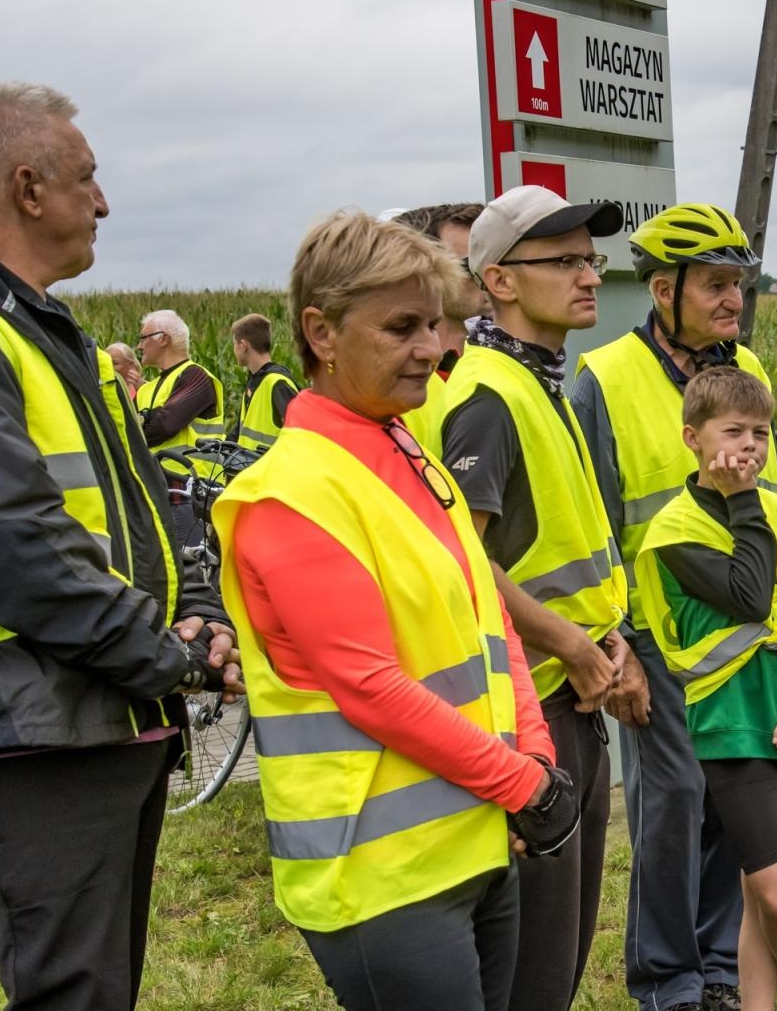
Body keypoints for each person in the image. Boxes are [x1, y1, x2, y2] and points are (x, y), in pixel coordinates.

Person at [211, 211, 573, 1011]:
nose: (432, 348)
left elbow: (489, 620)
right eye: (402, 327)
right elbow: (368, 684)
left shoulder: (408, 451)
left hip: (475, 838)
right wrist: (523, 782)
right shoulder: (290, 493)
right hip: (380, 875)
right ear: (321, 333)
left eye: (436, 325)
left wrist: (537, 756)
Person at [0, 80, 240, 1010]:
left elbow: (152, 509)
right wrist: (167, 657)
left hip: (101, 716)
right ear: (27, 187)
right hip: (32, 732)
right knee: (73, 991)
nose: (105, 201)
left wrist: (200, 611)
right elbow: (10, 542)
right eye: (87, 177)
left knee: (101, 986)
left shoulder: (57, 336)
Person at [572, 202, 777, 1011]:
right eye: (715, 284)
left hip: (735, 625)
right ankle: (667, 979)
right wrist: (611, 639)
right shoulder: (605, 378)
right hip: (655, 631)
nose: (733, 299)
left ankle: (719, 967)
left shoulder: (745, 369)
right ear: (665, 291)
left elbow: (766, 492)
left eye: (738, 284)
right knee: (673, 799)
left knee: (729, 792)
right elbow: (592, 518)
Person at [442, 185, 632, 1011]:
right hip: (536, 712)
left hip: (574, 694)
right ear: (499, 281)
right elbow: (463, 564)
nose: (590, 276)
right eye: (564, 261)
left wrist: (606, 640)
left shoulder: (541, 381)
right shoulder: (488, 395)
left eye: (591, 259)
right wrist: (573, 644)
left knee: (564, 950)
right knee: (537, 972)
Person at [634, 366, 777, 1011]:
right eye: (733, 432)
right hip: (729, 731)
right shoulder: (676, 532)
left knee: (758, 895)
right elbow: (751, 597)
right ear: (692, 437)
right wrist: (744, 501)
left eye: (760, 433)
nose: (750, 445)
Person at [396, 202, 488, 453]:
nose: (489, 277)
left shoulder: (491, 366)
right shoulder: (389, 389)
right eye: (471, 266)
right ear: (424, 272)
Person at [137, 307, 225, 546]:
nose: (139, 346)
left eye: (143, 338)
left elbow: (165, 425)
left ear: (163, 339)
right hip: (157, 490)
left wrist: (144, 420)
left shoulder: (196, 376)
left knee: (189, 562)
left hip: (190, 492)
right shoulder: (147, 389)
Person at [230, 313, 299, 452]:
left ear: (243, 345)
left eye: (234, 344)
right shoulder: (255, 380)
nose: (234, 349)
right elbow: (239, 432)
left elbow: (301, 434)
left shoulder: (277, 383)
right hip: (249, 465)